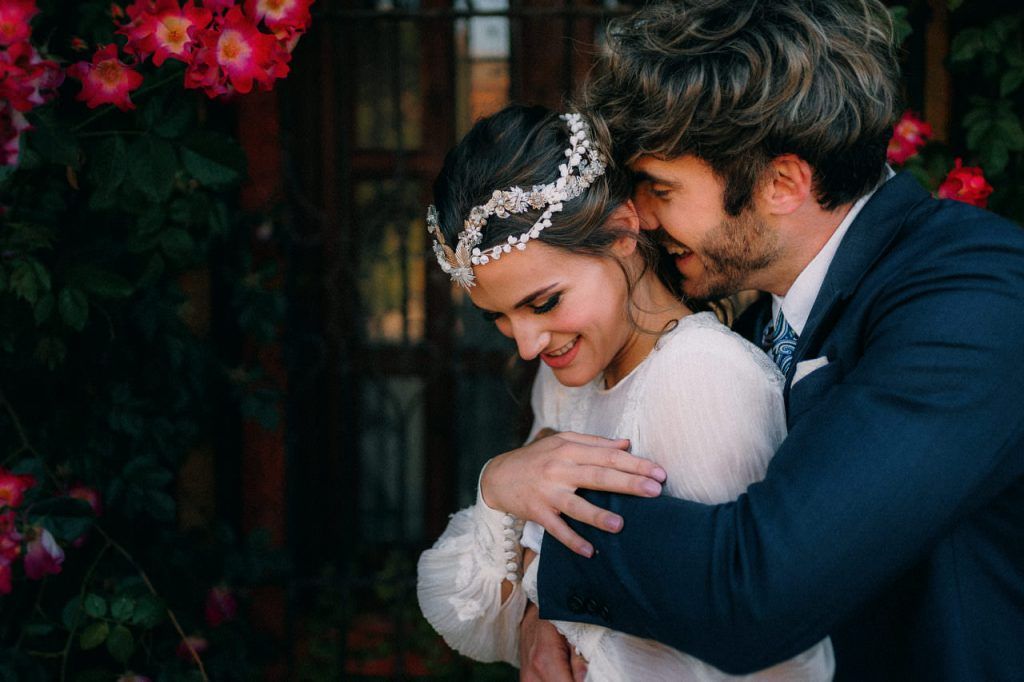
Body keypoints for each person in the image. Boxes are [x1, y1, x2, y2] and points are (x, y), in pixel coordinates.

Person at [478, 1, 1024, 679]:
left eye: (660, 188)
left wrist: (528, 517)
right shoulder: (757, 305)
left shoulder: (976, 298)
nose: (641, 220)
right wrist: (541, 618)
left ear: (781, 183)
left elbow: (760, 589)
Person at [416, 104, 835, 680]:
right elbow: (501, 608)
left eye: (544, 303)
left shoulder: (701, 378)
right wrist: (500, 485)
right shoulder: (567, 370)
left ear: (621, 232)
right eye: (499, 318)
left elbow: (768, 645)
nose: (528, 344)